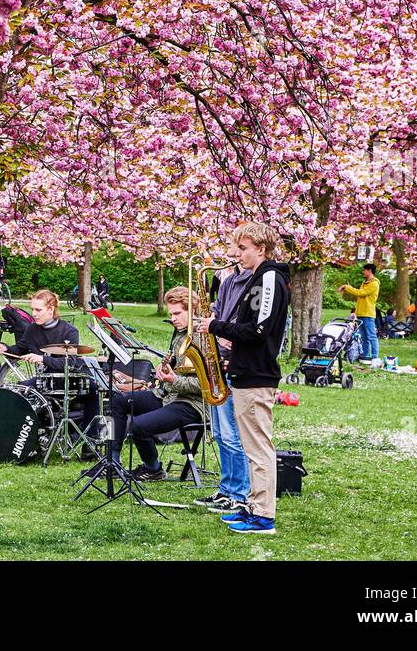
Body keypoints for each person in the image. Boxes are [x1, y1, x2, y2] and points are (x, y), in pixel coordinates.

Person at [198, 220, 290, 536]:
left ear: (261, 249)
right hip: (245, 372)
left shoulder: (270, 280)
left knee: (259, 449)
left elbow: (259, 330)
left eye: (243, 248)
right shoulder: (259, 279)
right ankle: (253, 509)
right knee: (252, 449)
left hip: (256, 374)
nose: (237, 254)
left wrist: (216, 326)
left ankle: (264, 517)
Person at [109, 285, 206, 481]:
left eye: (178, 313)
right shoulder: (179, 332)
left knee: (138, 426)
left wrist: (173, 380)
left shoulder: (201, 337)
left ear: (193, 310)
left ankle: (153, 469)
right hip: (167, 396)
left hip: (191, 404)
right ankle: (112, 462)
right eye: (171, 314)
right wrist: (164, 371)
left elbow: (205, 386)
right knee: (117, 401)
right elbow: (177, 368)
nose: (173, 318)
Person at [0, 289, 99, 435]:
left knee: (93, 390)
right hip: (46, 380)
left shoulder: (70, 331)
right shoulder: (32, 329)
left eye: (38, 310)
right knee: (18, 391)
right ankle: (16, 436)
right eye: (32, 309)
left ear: (51, 310)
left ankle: (90, 440)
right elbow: (20, 348)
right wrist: (5, 348)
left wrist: (42, 359)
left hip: (70, 379)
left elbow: (69, 363)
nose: (34, 314)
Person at [193, 240, 250, 515]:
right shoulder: (228, 282)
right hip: (216, 357)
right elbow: (219, 312)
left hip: (232, 359)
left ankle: (239, 494)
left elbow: (242, 326)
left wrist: (217, 329)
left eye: (236, 247)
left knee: (231, 434)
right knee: (219, 432)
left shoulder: (252, 282)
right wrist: (207, 320)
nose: (229, 253)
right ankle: (226, 489)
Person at [338, 263, 380, 360]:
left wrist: (347, 287)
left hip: (368, 314)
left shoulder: (374, 284)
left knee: (372, 337)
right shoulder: (365, 282)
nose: (363, 272)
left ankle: (375, 358)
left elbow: (360, 293)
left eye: (364, 270)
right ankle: (365, 356)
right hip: (361, 313)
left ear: (369, 271)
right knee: (364, 337)